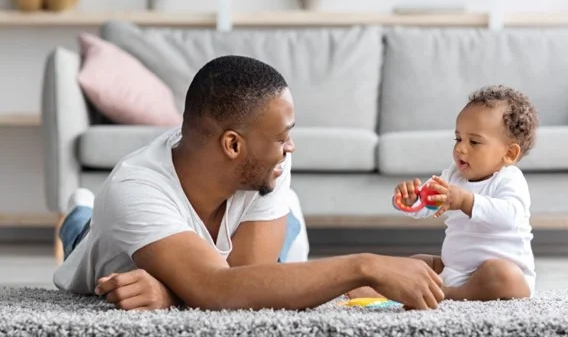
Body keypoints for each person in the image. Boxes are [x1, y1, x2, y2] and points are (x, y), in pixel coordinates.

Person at [53, 55, 445, 311]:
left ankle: (287, 218)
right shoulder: (135, 190)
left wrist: (172, 292)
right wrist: (366, 266)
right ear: (233, 144)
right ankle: (82, 212)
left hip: (239, 233)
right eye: (282, 137)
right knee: (83, 232)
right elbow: (224, 289)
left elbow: (246, 284)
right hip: (110, 237)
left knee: (278, 254)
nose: (290, 147)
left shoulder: (268, 162)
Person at [349, 85, 539, 302]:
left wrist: (465, 200)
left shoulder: (510, 179)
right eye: (458, 139)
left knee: (504, 274)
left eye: (474, 142)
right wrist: (411, 200)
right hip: (453, 269)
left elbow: (509, 217)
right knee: (417, 263)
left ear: (509, 153)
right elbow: (426, 204)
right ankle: (385, 287)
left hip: (498, 277)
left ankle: (446, 294)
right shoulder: (453, 174)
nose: (461, 148)